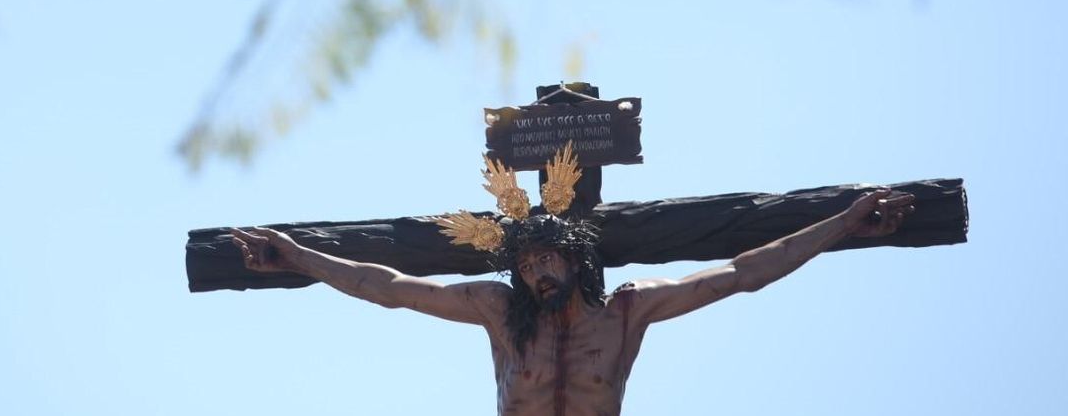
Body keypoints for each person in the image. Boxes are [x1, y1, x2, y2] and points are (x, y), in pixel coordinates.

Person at [231, 187, 914, 416]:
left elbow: (743, 272)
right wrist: (294, 255)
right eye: (526, 263)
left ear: (577, 259)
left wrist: (845, 223)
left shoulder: (627, 311)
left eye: (549, 258)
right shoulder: (499, 314)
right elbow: (388, 289)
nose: (536, 273)